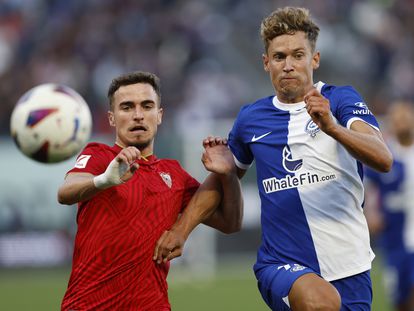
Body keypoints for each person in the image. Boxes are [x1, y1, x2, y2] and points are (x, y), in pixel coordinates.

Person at [153, 7, 393, 311]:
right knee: (319, 301)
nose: (288, 65)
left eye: (297, 55)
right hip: (282, 265)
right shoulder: (251, 119)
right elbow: (220, 179)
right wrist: (181, 231)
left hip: (350, 266)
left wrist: (332, 126)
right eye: (279, 57)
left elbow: (382, 158)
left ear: (314, 59)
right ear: (267, 63)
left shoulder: (342, 100)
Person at [57, 71, 242, 310]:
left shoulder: (174, 174)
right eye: (127, 107)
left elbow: (230, 222)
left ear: (159, 115)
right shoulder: (99, 155)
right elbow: (65, 192)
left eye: (147, 106)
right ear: (112, 118)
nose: (137, 115)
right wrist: (104, 180)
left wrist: (227, 175)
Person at [364, 101, 414, 311]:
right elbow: (367, 186)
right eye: (397, 119)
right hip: (395, 239)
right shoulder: (385, 155)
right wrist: (371, 212)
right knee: (399, 298)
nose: (401, 123)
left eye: (405, 117)